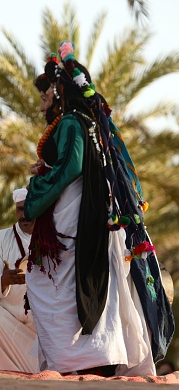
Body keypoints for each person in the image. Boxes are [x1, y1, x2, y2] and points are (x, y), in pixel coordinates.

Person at [25, 41, 173, 376]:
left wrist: (36, 193)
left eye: (46, 93)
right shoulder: (92, 124)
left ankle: (77, 362)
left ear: (61, 92)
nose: (42, 100)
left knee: (47, 281)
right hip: (92, 218)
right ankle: (95, 359)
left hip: (77, 219)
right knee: (94, 287)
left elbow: (72, 166)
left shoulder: (71, 123)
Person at [0, 187, 38, 373]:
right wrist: (3, 281)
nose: (24, 215)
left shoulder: (54, 237)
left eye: (29, 208)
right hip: (6, 317)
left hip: (40, 322)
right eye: (20, 209)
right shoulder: (0, 238)